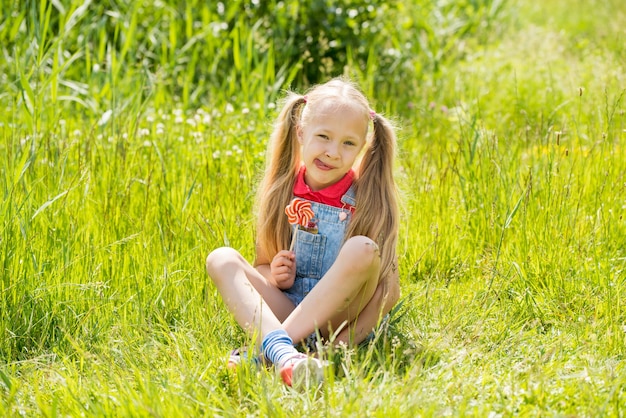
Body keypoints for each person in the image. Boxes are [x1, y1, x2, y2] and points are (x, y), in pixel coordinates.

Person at [206, 78, 400, 387]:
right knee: (221, 258)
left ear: (363, 147)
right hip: (291, 307)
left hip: (340, 319)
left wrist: (341, 346)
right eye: (323, 136)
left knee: (362, 248)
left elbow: (388, 292)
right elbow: (263, 265)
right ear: (301, 133)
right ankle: (288, 354)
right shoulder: (282, 191)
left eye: (348, 143)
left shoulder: (369, 199)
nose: (333, 152)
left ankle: (271, 351)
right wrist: (275, 274)